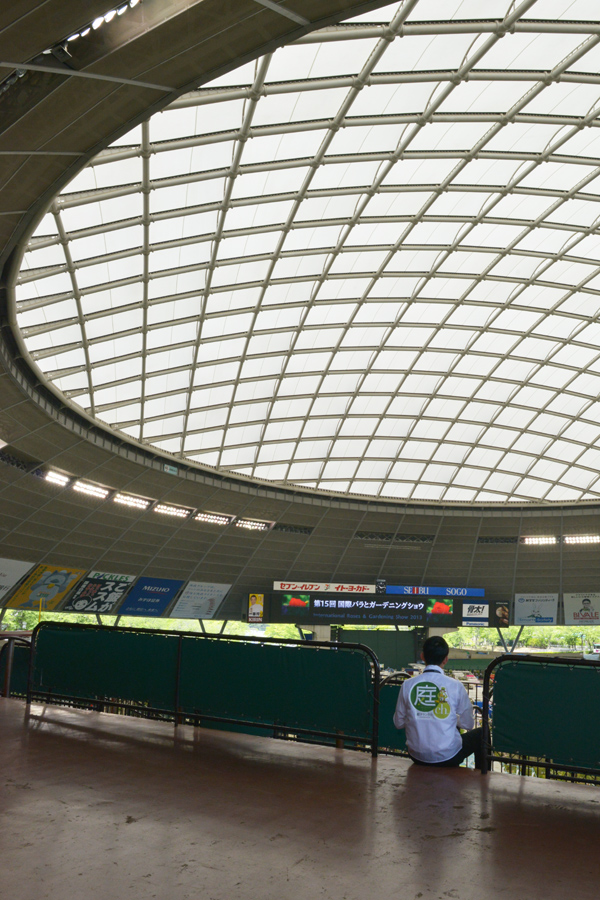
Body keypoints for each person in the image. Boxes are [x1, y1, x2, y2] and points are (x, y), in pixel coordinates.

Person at [393, 635, 483, 770]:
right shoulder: (456, 686)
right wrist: (451, 717)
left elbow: (398, 723)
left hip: (416, 755)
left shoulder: (407, 685)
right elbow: (468, 724)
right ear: (446, 659)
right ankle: (483, 777)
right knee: (482, 734)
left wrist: (419, 716)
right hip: (449, 756)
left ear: (422, 656)